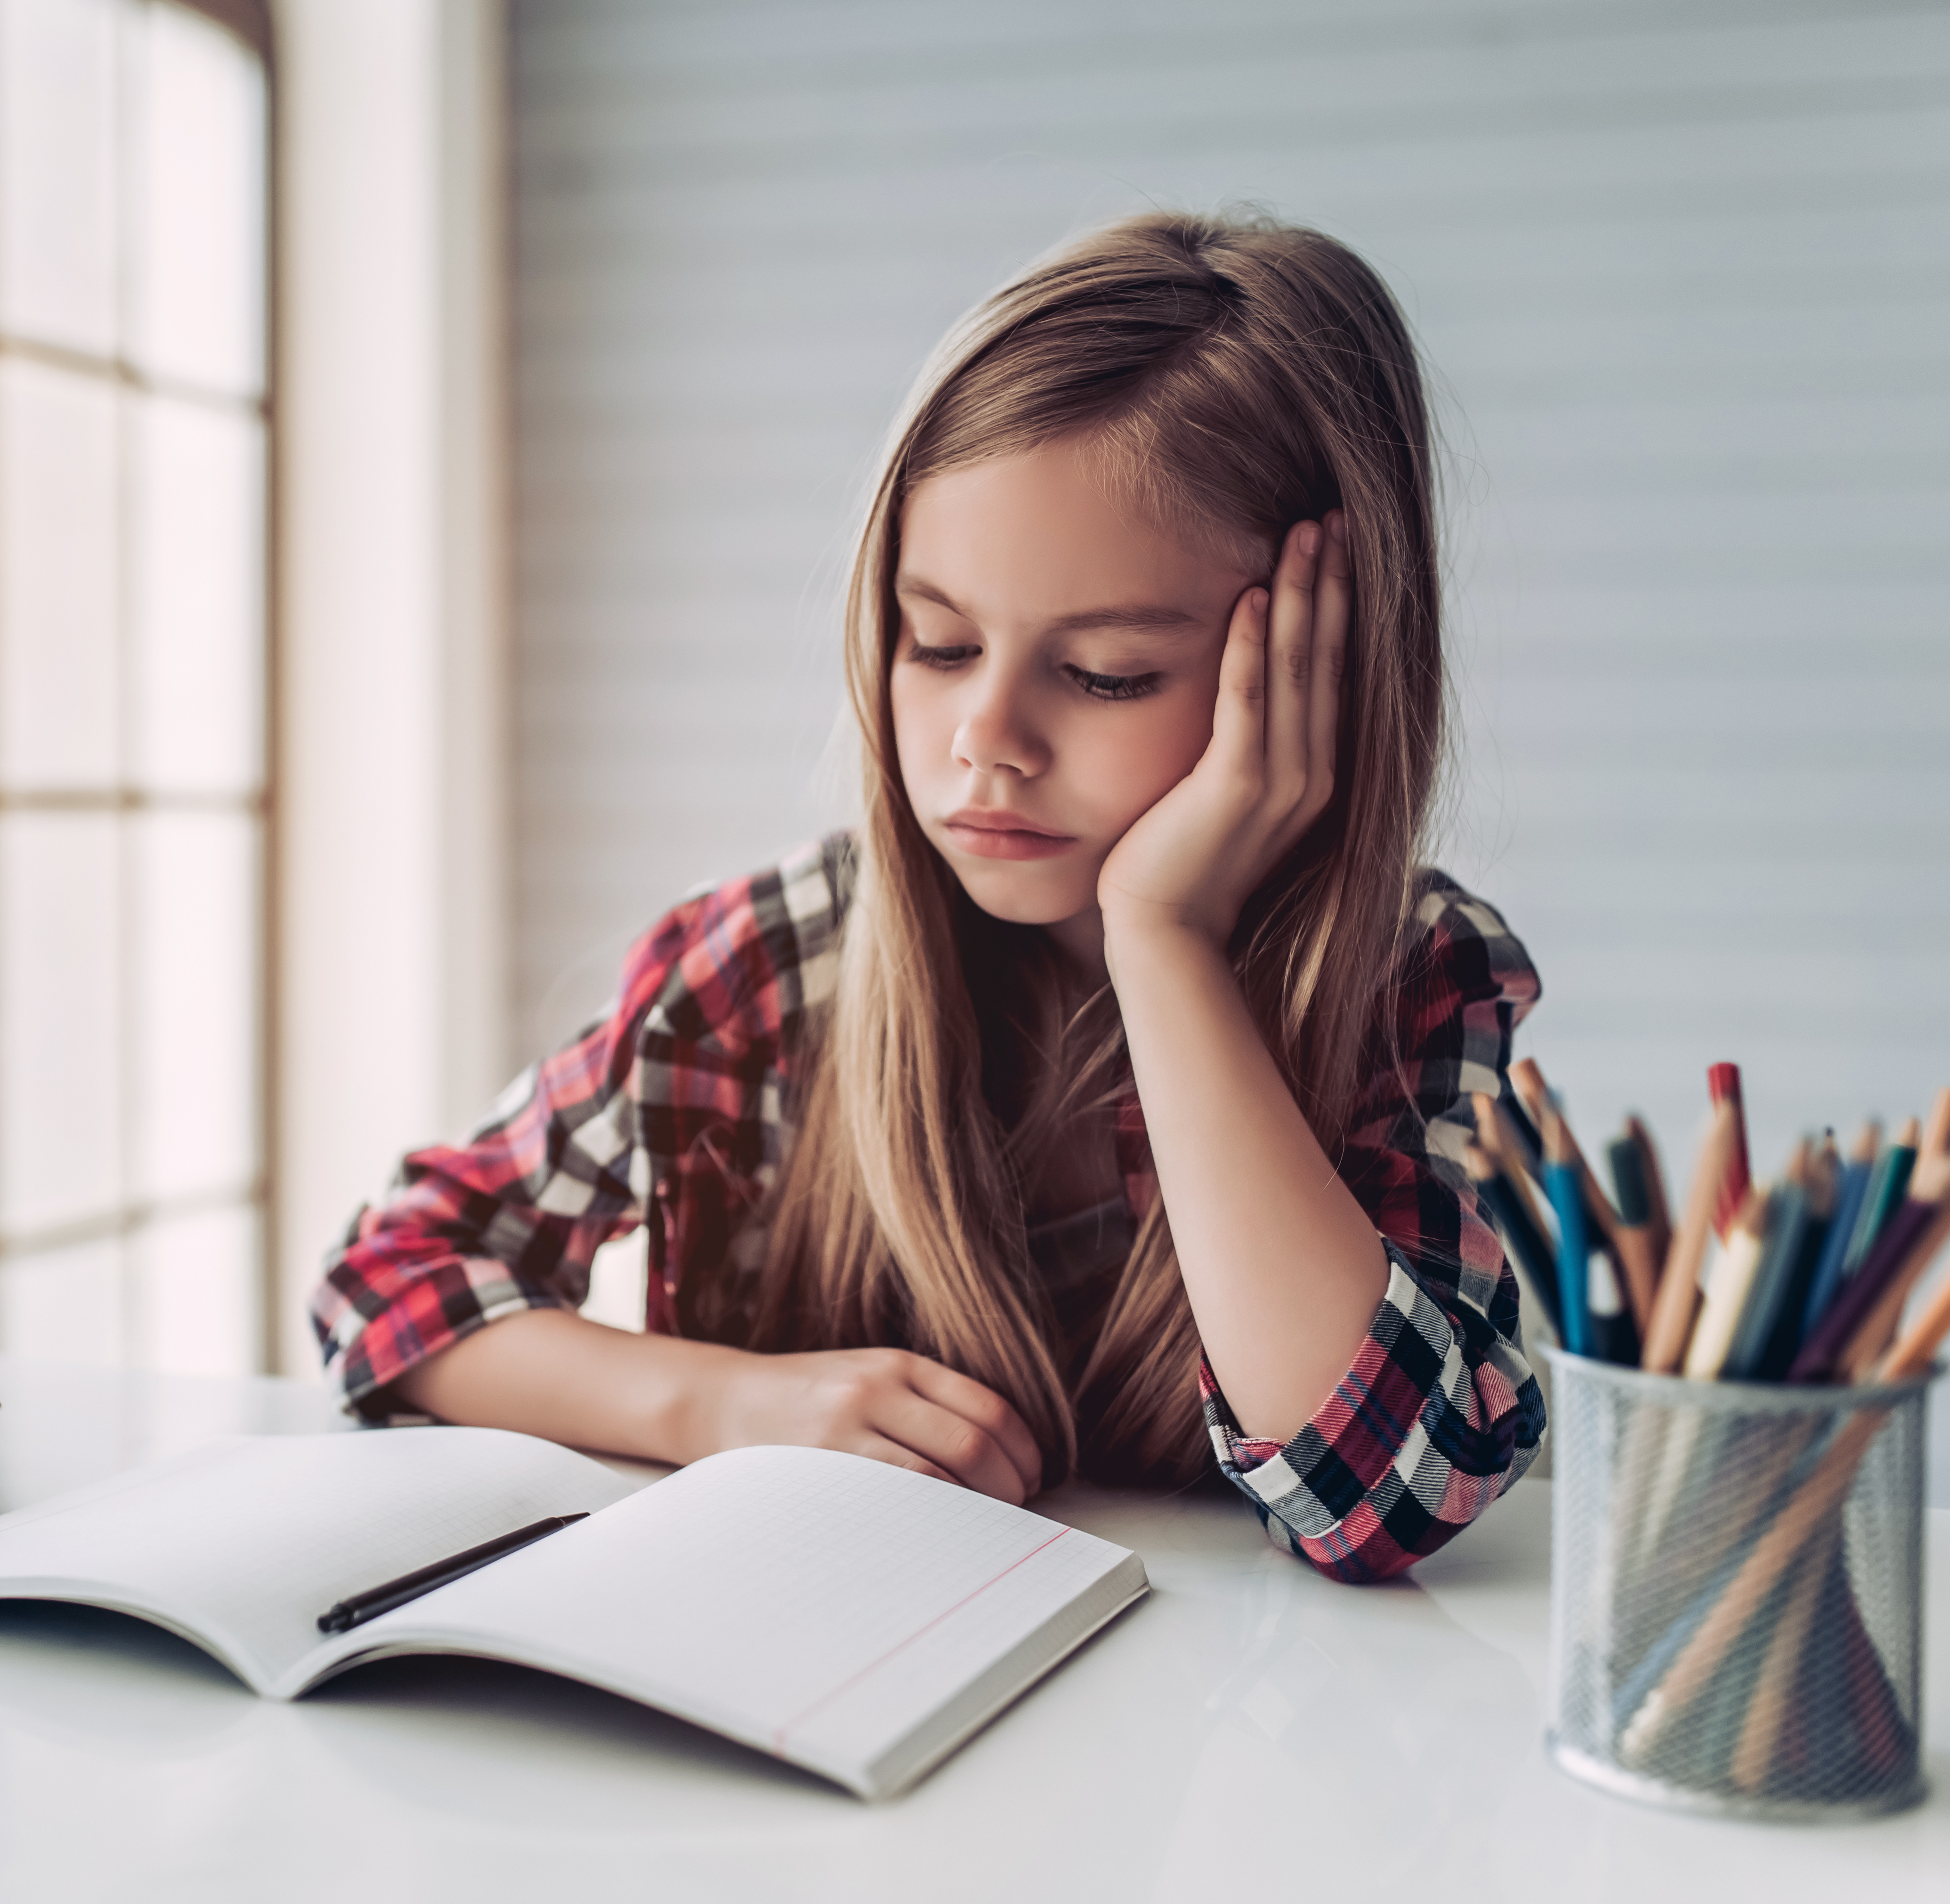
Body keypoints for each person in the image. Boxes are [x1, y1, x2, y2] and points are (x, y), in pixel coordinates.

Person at [309, 211, 1545, 1583]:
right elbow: (387, 1287)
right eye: (939, 643)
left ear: (1328, 665)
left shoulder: (1414, 981)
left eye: (1109, 672)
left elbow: (1386, 1494)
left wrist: (1167, 941)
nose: (985, 740)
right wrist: (719, 1404)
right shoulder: (769, 972)